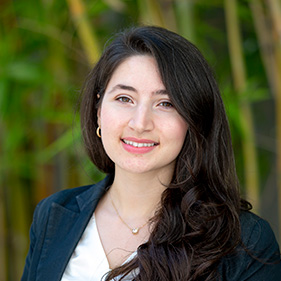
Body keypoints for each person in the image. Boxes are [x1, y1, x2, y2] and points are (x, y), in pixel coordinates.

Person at [21, 26, 281, 281]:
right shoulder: (53, 215)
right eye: (124, 98)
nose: (140, 123)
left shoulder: (244, 243)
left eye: (165, 103)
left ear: (193, 121)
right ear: (98, 109)